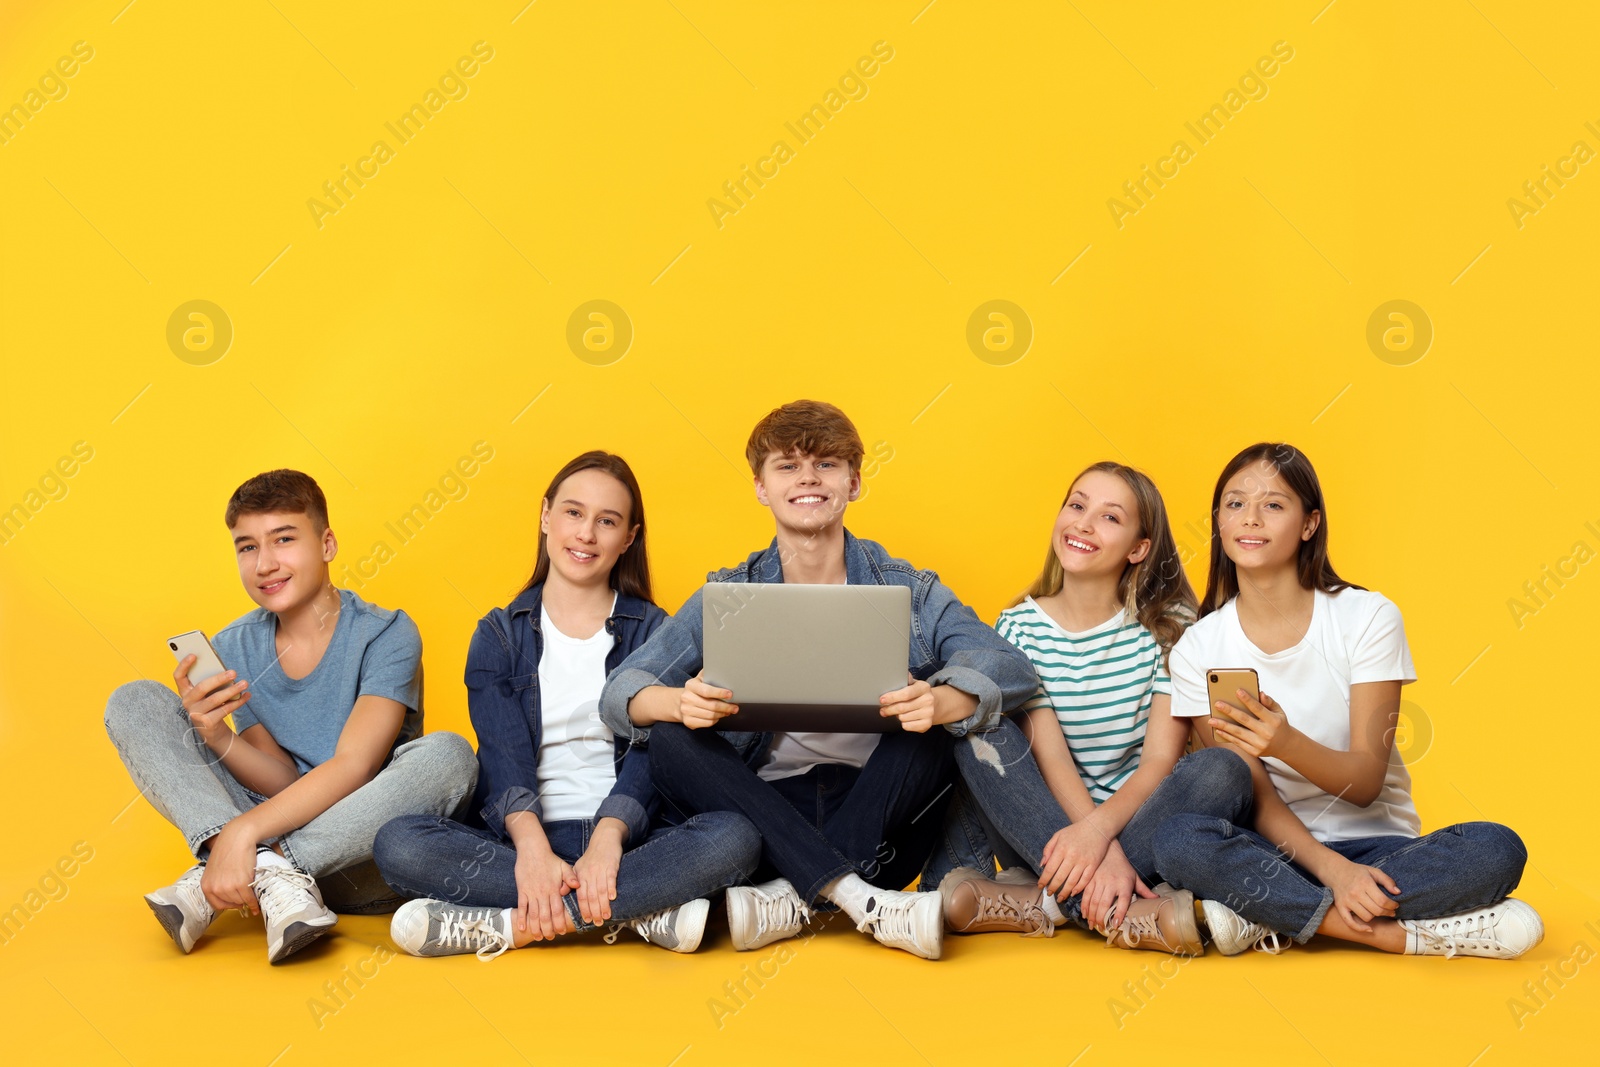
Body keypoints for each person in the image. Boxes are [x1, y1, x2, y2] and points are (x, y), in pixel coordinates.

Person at [600, 400, 1037, 960]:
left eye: (826, 465)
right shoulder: (730, 593)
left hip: (881, 825)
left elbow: (1011, 667)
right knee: (669, 735)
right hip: (766, 813)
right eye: (787, 466)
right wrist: (678, 701)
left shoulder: (909, 587)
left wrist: (941, 699)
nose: (808, 478)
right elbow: (620, 691)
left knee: (942, 711)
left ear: (854, 482)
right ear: (760, 486)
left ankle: (793, 895)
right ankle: (854, 898)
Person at [1153, 442, 1542, 958]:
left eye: (1273, 504)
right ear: (1218, 523)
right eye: (1234, 503)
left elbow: (1364, 783)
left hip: (1383, 849)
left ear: (1309, 524)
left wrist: (1286, 742)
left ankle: (1264, 913)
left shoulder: (1368, 619)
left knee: (1497, 848)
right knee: (1178, 841)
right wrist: (1332, 872)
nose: (1250, 518)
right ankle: (1397, 936)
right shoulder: (1198, 647)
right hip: (1277, 852)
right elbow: (1258, 797)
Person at [374, 452, 760, 958]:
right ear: (545, 516)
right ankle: (644, 910)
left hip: (633, 843)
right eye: (574, 513)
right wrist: (532, 852)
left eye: (607, 521)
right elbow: (500, 751)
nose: (586, 534)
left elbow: (655, 749)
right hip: (516, 846)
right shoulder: (498, 634)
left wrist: (608, 839)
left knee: (736, 837)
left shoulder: (656, 631)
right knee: (398, 843)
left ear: (629, 538)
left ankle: (509, 927)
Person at [104, 469, 478, 963]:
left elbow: (355, 766)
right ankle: (270, 877)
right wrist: (215, 735)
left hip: (361, 855)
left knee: (448, 755)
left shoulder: (387, 633)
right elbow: (281, 781)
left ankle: (252, 872)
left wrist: (242, 834)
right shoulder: (236, 644)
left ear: (326, 544)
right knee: (134, 700)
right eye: (247, 547)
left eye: (284, 540)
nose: (265, 563)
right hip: (276, 826)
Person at [933, 462, 1252, 955]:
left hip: (1137, 823)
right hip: (1045, 827)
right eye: (1077, 505)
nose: (1083, 523)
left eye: (1109, 517)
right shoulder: (1019, 627)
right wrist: (1085, 843)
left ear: (1138, 548)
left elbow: (1158, 762)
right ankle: (1116, 907)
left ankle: (1046, 904)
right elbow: (1050, 756)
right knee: (980, 731)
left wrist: (1101, 835)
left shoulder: (1169, 627)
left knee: (1223, 770)